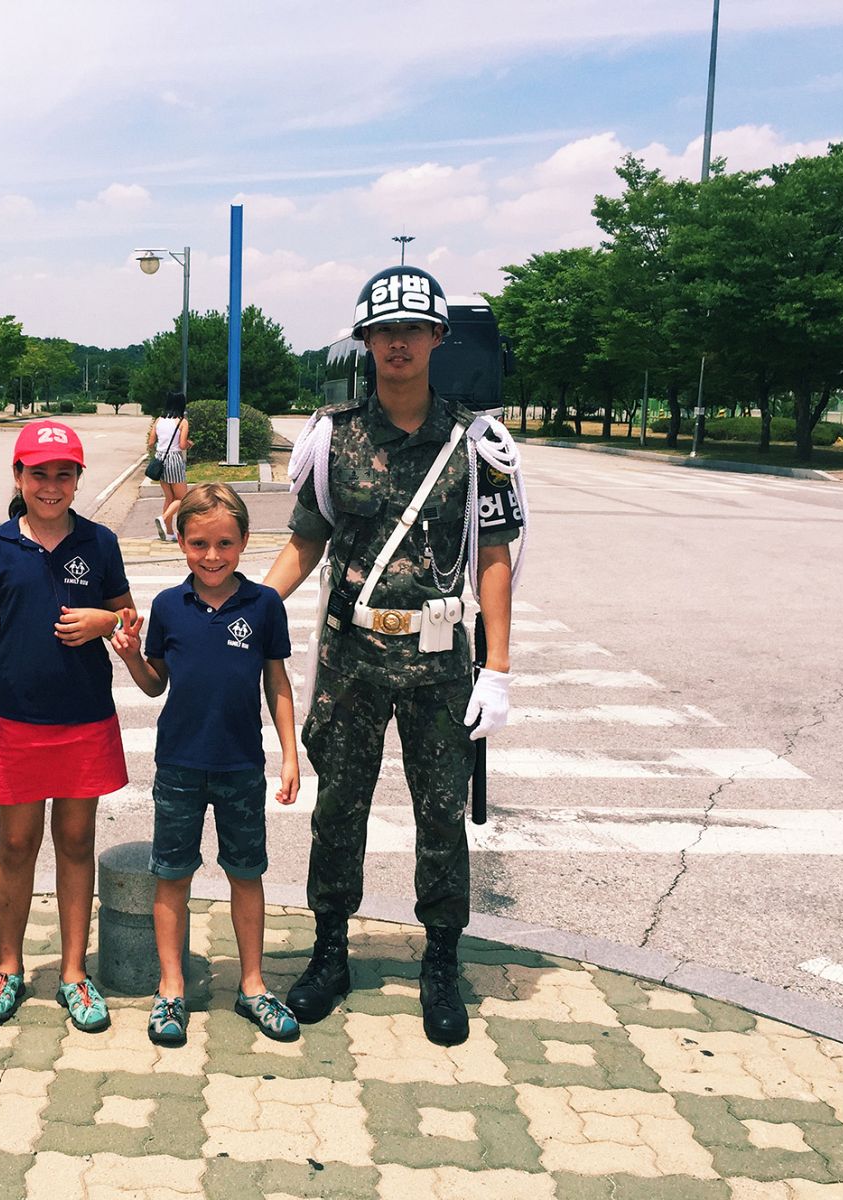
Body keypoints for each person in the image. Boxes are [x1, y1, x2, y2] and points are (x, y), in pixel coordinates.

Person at [263, 265, 526, 1047]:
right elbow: (307, 539)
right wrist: (248, 606)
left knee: (440, 821)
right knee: (337, 813)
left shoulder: (476, 444)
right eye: (385, 330)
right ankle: (329, 954)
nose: (399, 342)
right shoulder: (333, 438)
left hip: (442, 663)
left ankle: (440, 963)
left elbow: (495, 557)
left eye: (414, 329)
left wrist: (501, 670)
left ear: (438, 338)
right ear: (367, 341)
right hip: (352, 664)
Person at [0, 418, 136, 1034]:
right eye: (39, 474)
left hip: (84, 715)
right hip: (17, 714)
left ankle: (74, 971)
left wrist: (105, 624)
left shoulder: (100, 543)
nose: (51, 486)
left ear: (79, 479)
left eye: (64, 474)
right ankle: (8, 965)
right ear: (19, 476)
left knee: (77, 841)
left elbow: (127, 618)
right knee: (15, 843)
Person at [110, 484, 301, 1047]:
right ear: (181, 543)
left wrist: (291, 754)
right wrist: (129, 658)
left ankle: (252, 984)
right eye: (199, 544)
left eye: (224, 543)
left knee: (247, 873)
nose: (211, 556)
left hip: (242, 765)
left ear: (244, 541)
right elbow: (155, 684)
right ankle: (171, 989)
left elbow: (277, 682)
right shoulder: (169, 606)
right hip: (179, 767)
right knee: (171, 876)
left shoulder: (264, 605)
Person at [148, 391, 192, 541]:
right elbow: (181, 445)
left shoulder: (158, 420)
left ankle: (169, 532)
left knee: (169, 497)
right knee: (182, 498)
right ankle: (163, 518)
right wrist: (189, 444)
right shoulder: (182, 422)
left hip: (160, 458)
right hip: (173, 459)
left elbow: (151, 442)